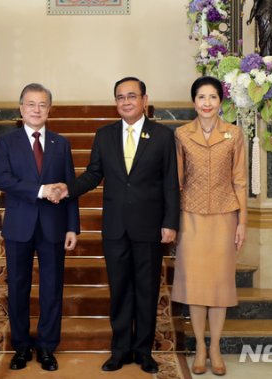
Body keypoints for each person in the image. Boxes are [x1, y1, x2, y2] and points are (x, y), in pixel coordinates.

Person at [50, 77, 179, 374]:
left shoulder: (162, 136)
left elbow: (171, 183)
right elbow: (93, 174)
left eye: (132, 96)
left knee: (146, 290)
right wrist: (67, 189)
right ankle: (120, 349)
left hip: (150, 227)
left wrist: (170, 222)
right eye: (120, 97)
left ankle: (143, 351)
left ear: (144, 100)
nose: (126, 102)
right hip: (116, 228)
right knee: (120, 290)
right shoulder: (104, 135)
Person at [0, 83, 80, 372]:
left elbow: (70, 187)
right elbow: (4, 180)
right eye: (30, 104)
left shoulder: (60, 143)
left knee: (51, 289)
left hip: (54, 227)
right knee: (18, 288)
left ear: (49, 109)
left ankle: (46, 346)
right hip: (19, 226)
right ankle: (20, 346)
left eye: (42, 104)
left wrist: (73, 226)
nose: (36, 109)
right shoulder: (7, 141)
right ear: (21, 109)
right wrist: (42, 190)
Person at [171, 76, 247, 376]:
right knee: (197, 285)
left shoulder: (234, 134)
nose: (207, 103)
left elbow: (240, 180)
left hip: (225, 216)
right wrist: (171, 222)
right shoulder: (181, 135)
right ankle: (199, 348)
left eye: (212, 97)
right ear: (194, 102)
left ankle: (215, 347)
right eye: (201, 97)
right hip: (190, 217)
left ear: (220, 101)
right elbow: (176, 182)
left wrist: (243, 221)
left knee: (219, 285)